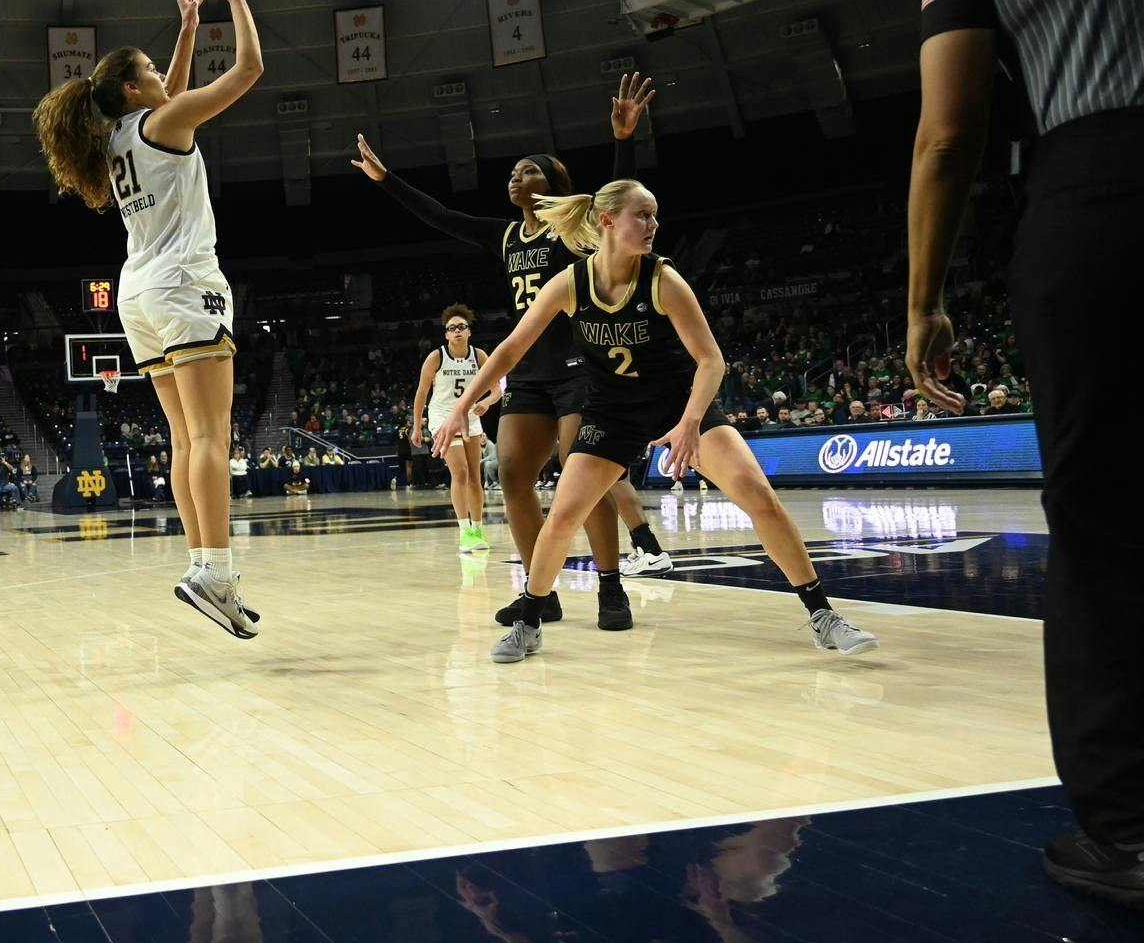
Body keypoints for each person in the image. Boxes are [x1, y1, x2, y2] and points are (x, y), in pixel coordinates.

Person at [904, 0, 1144, 904]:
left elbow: (946, 137)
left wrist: (922, 300)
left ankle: (1125, 833)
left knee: (1098, 523)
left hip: (1097, 195)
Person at [433, 180, 880, 664]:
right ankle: (530, 622)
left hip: (676, 403)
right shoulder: (570, 283)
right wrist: (461, 406)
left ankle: (822, 615)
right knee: (563, 515)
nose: (653, 225)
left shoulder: (663, 279)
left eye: (655, 215)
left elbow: (711, 361)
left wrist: (690, 423)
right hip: (612, 410)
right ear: (607, 221)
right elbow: (511, 348)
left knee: (759, 497)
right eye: (642, 215)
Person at [355, 74, 661, 631]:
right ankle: (539, 590)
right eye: (515, 171)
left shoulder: (576, 225)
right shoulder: (503, 236)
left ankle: (610, 586)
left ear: (553, 183)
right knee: (515, 477)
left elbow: (620, 202)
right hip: (530, 373)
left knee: (581, 475)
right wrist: (386, 181)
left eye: (529, 169)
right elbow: (441, 216)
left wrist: (623, 138)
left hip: (580, 369)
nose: (516, 176)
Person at [34, 0, 264, 639]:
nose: (166, 79)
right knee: (210, 435)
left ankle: (204, 564)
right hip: (183, 283)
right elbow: (250, 70)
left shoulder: (121, 138)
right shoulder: (164, 123)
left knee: (182, 435)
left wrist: (188, 29)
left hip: (138, 292)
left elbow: (173, 96)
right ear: (134, 91)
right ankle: (216, 571)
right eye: (154, 74)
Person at [412, 304, 498, 554]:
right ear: (446, 335)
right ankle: (464, 532)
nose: (457, 331)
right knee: (459, 472)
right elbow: (421, 392)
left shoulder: (479, 355)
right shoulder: (436, 357)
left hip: (469, 418)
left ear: (469, 331)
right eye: (452, 328)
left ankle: (478, 529)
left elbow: (498, 388)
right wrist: (417, 426)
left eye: (462, 327)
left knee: (475, 476)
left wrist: (487, 401)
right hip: (442, 418)